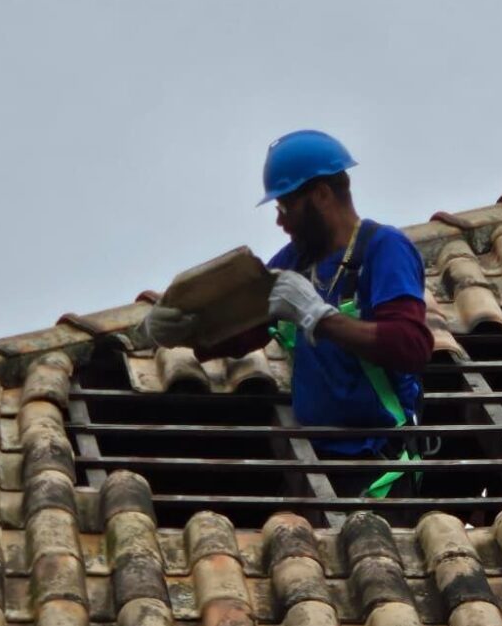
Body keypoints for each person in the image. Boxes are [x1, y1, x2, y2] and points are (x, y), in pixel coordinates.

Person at [143, 130, 434, 497]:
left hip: (381, 468)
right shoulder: (294, 263)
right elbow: (242, 332)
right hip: (319, 465)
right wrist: (186, 331)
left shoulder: (383, 249)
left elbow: (410, 346)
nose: (280, 222)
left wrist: (322, 318)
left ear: (322, 195)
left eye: (286, 208)